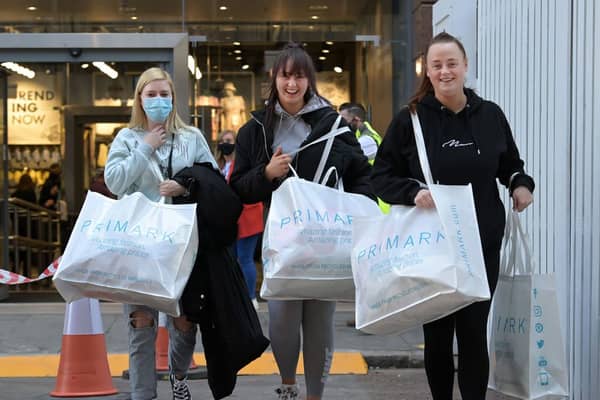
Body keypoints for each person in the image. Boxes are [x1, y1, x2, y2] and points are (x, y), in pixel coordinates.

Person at [371, 32, 534, 400]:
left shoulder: (490, 114)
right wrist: (413, 192)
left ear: (465, 66)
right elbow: (380, 176)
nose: (445, 72)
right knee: (439, 336)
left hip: (481, 244)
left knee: (475, 334)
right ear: (427, 72)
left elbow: (510, 164)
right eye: (436, 65)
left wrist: (520, 184)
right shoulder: (410, 120)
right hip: (433, 246)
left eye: (452, 63)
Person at [230, 42, 373, 400]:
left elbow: (361, 175)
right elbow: (238, 189)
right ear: (274, 79)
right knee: (281, 319)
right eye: (285, 75)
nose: (291, 83)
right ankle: (288, 385)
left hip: (329, 241)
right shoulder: (256, 129)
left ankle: (315, 395)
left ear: (309, 80)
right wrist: (266, 172)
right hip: (283, 244)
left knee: (320, 324)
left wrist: (361, 209)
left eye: (299, 75)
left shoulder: (334, 125)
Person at [105, 67, 217, 400]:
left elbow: (212, 181)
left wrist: (185, 185)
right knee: (141, 324)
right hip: (140, 247)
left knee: (184, 323)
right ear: (139, 99)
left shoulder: (191, 137)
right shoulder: (126, 138)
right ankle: (143, 394)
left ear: (173, 98)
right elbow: (114, 182)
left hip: (182, 247)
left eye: (164, 94)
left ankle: (178, 376)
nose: (158, 100)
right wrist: (145, 147)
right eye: (151, 94)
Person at [214, 129, 264, 311]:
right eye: (222, 140)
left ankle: (251, 297)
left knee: (245, 258)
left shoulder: (243, 163)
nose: (225, 143)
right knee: (231, 260)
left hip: (248, 217)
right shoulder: (217, 165)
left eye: (229, 140)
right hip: (228, 220)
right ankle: (235, 297)